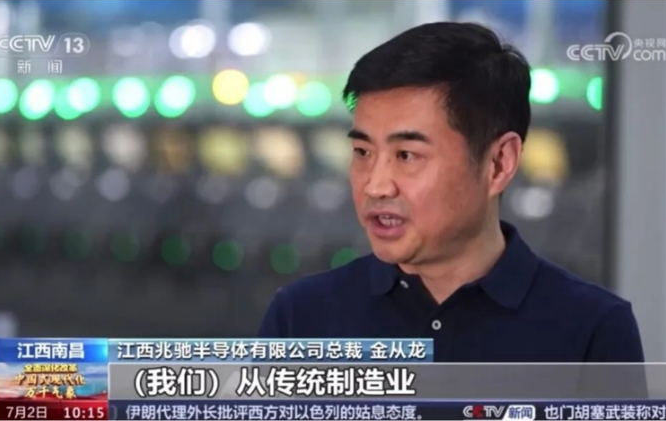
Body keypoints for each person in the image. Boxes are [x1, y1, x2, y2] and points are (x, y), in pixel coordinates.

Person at [258, 22, 645, 364]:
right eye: (362, 152)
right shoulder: (300, 318)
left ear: (499, 163)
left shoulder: (592, 329)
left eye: (406, 155)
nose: (375, 185)